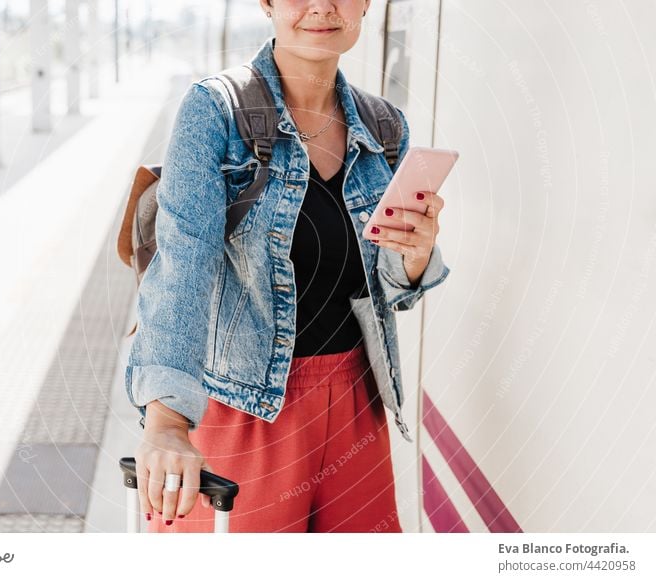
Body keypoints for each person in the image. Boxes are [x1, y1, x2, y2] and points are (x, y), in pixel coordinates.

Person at [124, 0, 450, 533]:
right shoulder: (216, 112)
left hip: (357, 403)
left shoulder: (386, 127)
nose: (321, 8)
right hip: (242, 410)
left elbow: (390, 290)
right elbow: (183, 265)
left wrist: (414, 260)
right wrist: (165, 423)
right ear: (268, 4)